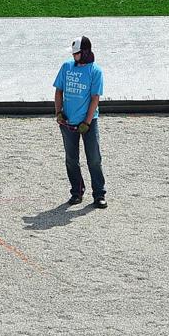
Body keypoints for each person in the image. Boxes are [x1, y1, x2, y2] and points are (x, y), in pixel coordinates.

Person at [53, 36, 106, 208]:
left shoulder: (95, 71)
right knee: (71, 159)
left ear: (84, 53)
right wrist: (58, 112)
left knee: (94, 159)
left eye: (76, 53)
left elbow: (94, 99)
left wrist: (88, 122)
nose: (73, 56)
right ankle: (77, 191)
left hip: (88, 123)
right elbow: (59, 91)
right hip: (68, 122)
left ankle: (99, 194)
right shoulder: (66, 67)